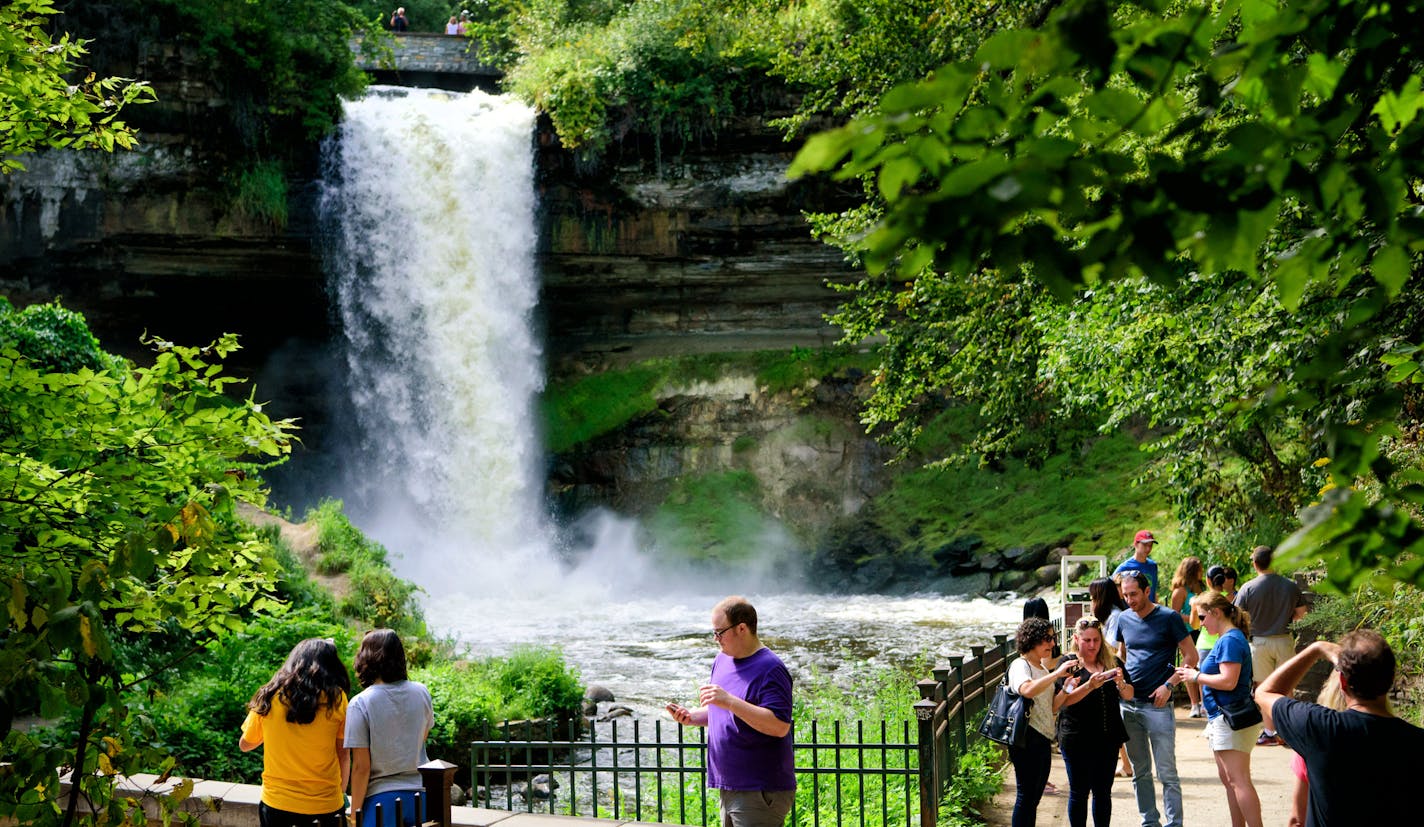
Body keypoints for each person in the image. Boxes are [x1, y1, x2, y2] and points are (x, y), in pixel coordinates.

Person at [1255, 630, 1424, 827]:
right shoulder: (1417, 741)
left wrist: (1316, 649)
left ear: (1342, 681)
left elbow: (1265, 692)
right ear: (1391, 679)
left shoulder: (1318, 727)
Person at [666, 596, 795, 827]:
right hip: (729, 784)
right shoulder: (722, 660)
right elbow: (724, 711)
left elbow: (779, 726)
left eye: (720, 632)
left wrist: (729, 701)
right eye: (714, 633)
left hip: (759, 788)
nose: (716, 639)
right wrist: (692, 717)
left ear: (742, 628)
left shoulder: (771, 668)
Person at [239, 639, 351, 827]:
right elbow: (344, 754)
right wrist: (341, 793)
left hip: (277, 804)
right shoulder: (337, 699)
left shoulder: (269, 694)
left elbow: (245, 744)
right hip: (325, 805)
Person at [1116, 570, 1195, 827]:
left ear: (1147, 591)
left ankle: (1175, 824)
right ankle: (1149, 822)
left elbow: (1191, 657)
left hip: (1159, 706)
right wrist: (1121, 683)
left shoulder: (1168, 617)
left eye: (1134, 594)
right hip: (1129, 706)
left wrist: (1169, 685)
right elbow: (1122, 656)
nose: (1129, 599)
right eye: (1125, 595)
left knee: (1167, 773)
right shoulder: (1124, 619)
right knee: (1140, 772)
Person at [1176, 591, 1262, 827]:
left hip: (1230, 717)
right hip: (1221, 716)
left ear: (1216, 613)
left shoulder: (1230, 640)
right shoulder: (1227, 638)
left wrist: (1196, 676)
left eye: (1202, 617)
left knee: (1239, 780)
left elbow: (1229, 681)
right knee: (1230, 780)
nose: (1200, 623)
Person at [346, 629, 434, 827]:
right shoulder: (421, 692)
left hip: (382, 801)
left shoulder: (360, 703)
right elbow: (421, 739)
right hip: (421, 798)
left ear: (366, 659)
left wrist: (354, 816)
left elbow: (361, 767)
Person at [1053, 617, 1132, 827]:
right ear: (1077, 639)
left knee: (1103, 793)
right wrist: (1089, 686)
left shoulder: (1112, 662)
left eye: (1096, 640)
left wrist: (1121, 684)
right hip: (1076, 737)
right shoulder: (1068, 665)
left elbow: (1130, 695)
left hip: (1108, 736)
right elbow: (1062, 702)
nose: (1092, 645)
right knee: (1079, 792)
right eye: (1087, 640)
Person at [1005, 617, 1078, 827]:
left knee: (1034, 797)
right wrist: (1056, 674)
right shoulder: (1020, 665)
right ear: (1032, 639)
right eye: (1047, 639)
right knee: (1026, 796)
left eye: (1052, 638)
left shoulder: (1042, 669)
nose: (1052, 644)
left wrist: (1066, 687)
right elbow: (1026, 690)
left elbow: (1052, 707)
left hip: (1043, 737)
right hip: (1027, 737)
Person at [1232, 544, 1305, 746]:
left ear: (1255, 564)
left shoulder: (1248, 588)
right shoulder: (1290, 586)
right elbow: (1301, 614)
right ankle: (1287, 732)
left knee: (1262, 688)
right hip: (1284, 638)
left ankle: (1269, 731)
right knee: (1287, 686)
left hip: (1259, 642)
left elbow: (1236, 616)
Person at [1168, 556, 1206, 717]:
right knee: (1189, 666)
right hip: (1187, 633)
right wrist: (1192, 617)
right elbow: (1173, 614)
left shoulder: (1201, 587)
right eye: (1199, 569)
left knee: (1203, 667)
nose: (1202, 572)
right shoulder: (1180, 591)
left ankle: (1205, 703)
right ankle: (1194, 704)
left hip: (1203, 631)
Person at [1114, 529, 1161, 603]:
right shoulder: (1124, 568)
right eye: (1145, 545)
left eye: (1150, 545)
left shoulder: (1153, 566)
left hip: (1150, 610)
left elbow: (1153, 590)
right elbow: (1114, 593)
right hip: (1131, 611)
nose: (1148, 548)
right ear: (1136, 544)